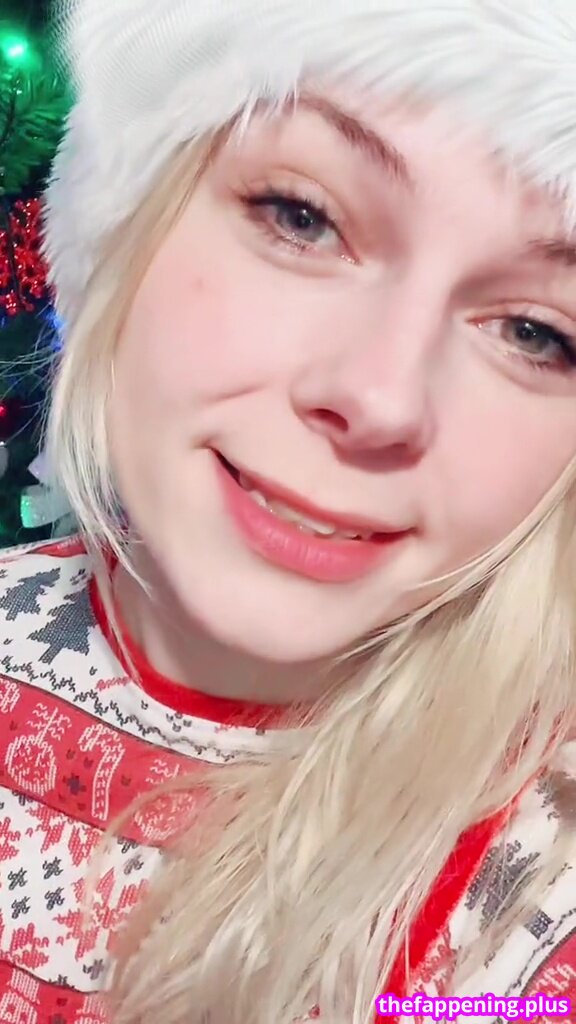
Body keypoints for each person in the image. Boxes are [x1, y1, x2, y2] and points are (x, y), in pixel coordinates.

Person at [1, 0, 576, 1021]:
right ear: (129, 217)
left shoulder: (538, 880)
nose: (380, 397)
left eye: (535, 332)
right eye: (301, 217)